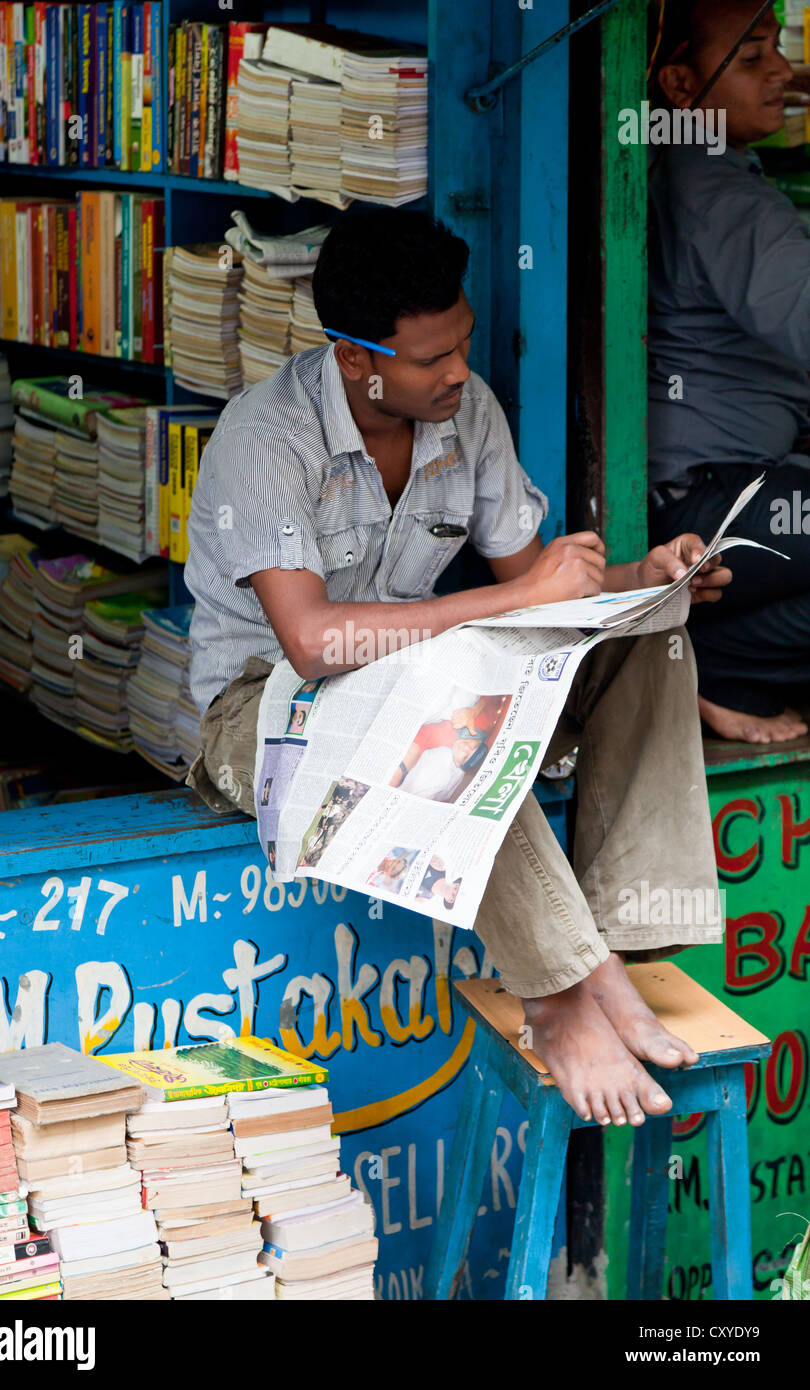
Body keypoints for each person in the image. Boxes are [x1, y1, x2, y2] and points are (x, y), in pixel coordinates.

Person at [184, 207, 731, 1129]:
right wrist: (511, 604)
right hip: (263, 716)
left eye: (464, 344)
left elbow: (538, 588)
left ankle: (625, 953)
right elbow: (315, 645)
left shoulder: (463, 412)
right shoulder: (266, 438)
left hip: (423, 677)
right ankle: (561, 995)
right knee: (448, 704)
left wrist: (647, 578)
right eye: (431, 359)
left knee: (648, 635)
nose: (459, 373)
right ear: (355, 358)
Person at [647, 0, 810, 743]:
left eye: (776, 48)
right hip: (710, 512)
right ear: (681, 86)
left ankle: (718, 661)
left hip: (709, 496)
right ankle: (714, 664)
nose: (781, 70)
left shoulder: (686, 171)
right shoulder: (722, 198)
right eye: (750, 59)